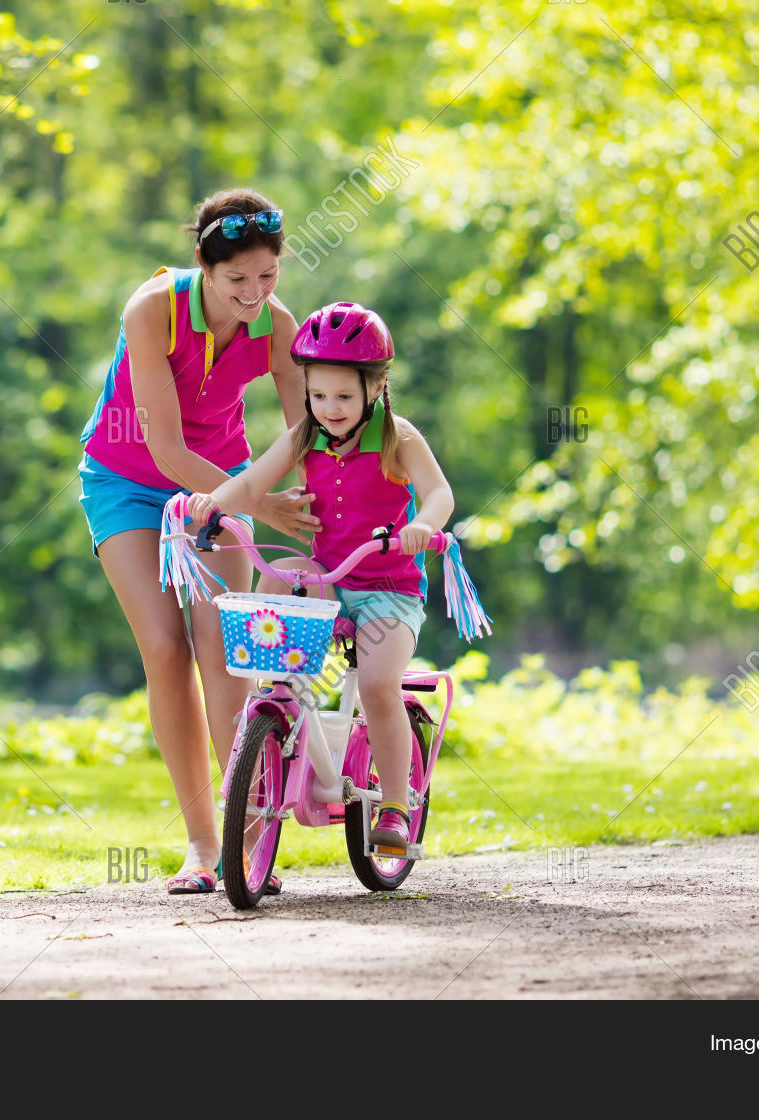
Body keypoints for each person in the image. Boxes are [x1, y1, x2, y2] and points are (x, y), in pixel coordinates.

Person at [78, 188, 320, 894]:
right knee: (164, 647)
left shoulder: (277, 327)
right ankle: (198, 845)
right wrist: (263, 507)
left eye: (267, 277)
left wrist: (319, 494)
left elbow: (305, 431)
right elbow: (163, 444)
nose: (253, 293)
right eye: (236, 279)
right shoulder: (151, 310)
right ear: (203, 268)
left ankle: (248, 845)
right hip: (129, 481)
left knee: (224, 649)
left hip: (225, 482)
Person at [186, 301, 456, 851]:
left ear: (375, 389)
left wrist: (422, 527)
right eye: (318, 394)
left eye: (344, 396)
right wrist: (212, 506)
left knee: (379, 686)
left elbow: (440, 493)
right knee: (282, 571)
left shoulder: (397, 438)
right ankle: (278, 691)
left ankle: (397, 808)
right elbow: (251, 484)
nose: (328, 408)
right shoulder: (303, 436)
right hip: (331, 576)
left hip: (388, 589)